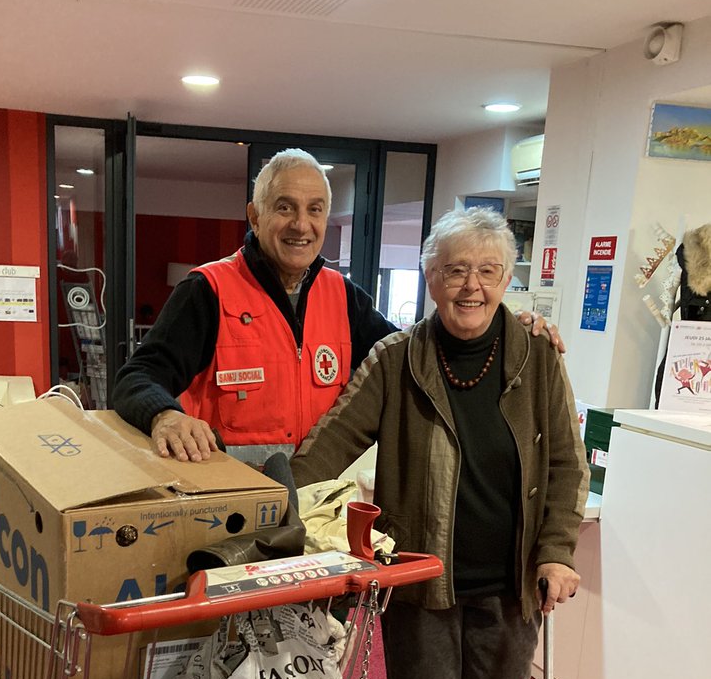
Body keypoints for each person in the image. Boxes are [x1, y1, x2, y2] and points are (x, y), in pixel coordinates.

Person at [290, 206, 589, 679]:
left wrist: (556, 552)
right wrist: (269, 498)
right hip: (424, 574)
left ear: (508, 279)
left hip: (512, 578)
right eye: (455, 270)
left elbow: (568, 467)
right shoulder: (398, 360)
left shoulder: (537, 357)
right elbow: (332, 441)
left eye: (487, 271)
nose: (471, 286)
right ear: (429, 278)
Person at [112, 149, 563, 466]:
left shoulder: (343, 297)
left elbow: (416, 355)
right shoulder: (208, 290)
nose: (301, 225)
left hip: (317, 501)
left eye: (315, 209)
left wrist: (505, 328)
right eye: (284, 207)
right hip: (231, 504)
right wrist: (165, 414)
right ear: (255, 216)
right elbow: (136, 376)